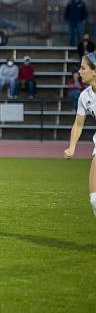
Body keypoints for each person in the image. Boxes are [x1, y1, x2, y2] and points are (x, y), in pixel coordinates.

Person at [64, 52, 96, 217]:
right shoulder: (85, 96)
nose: (80, 72)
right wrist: (71, 147)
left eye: (83, 68)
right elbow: (78, 123)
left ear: (95, 71)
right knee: (94, 199)